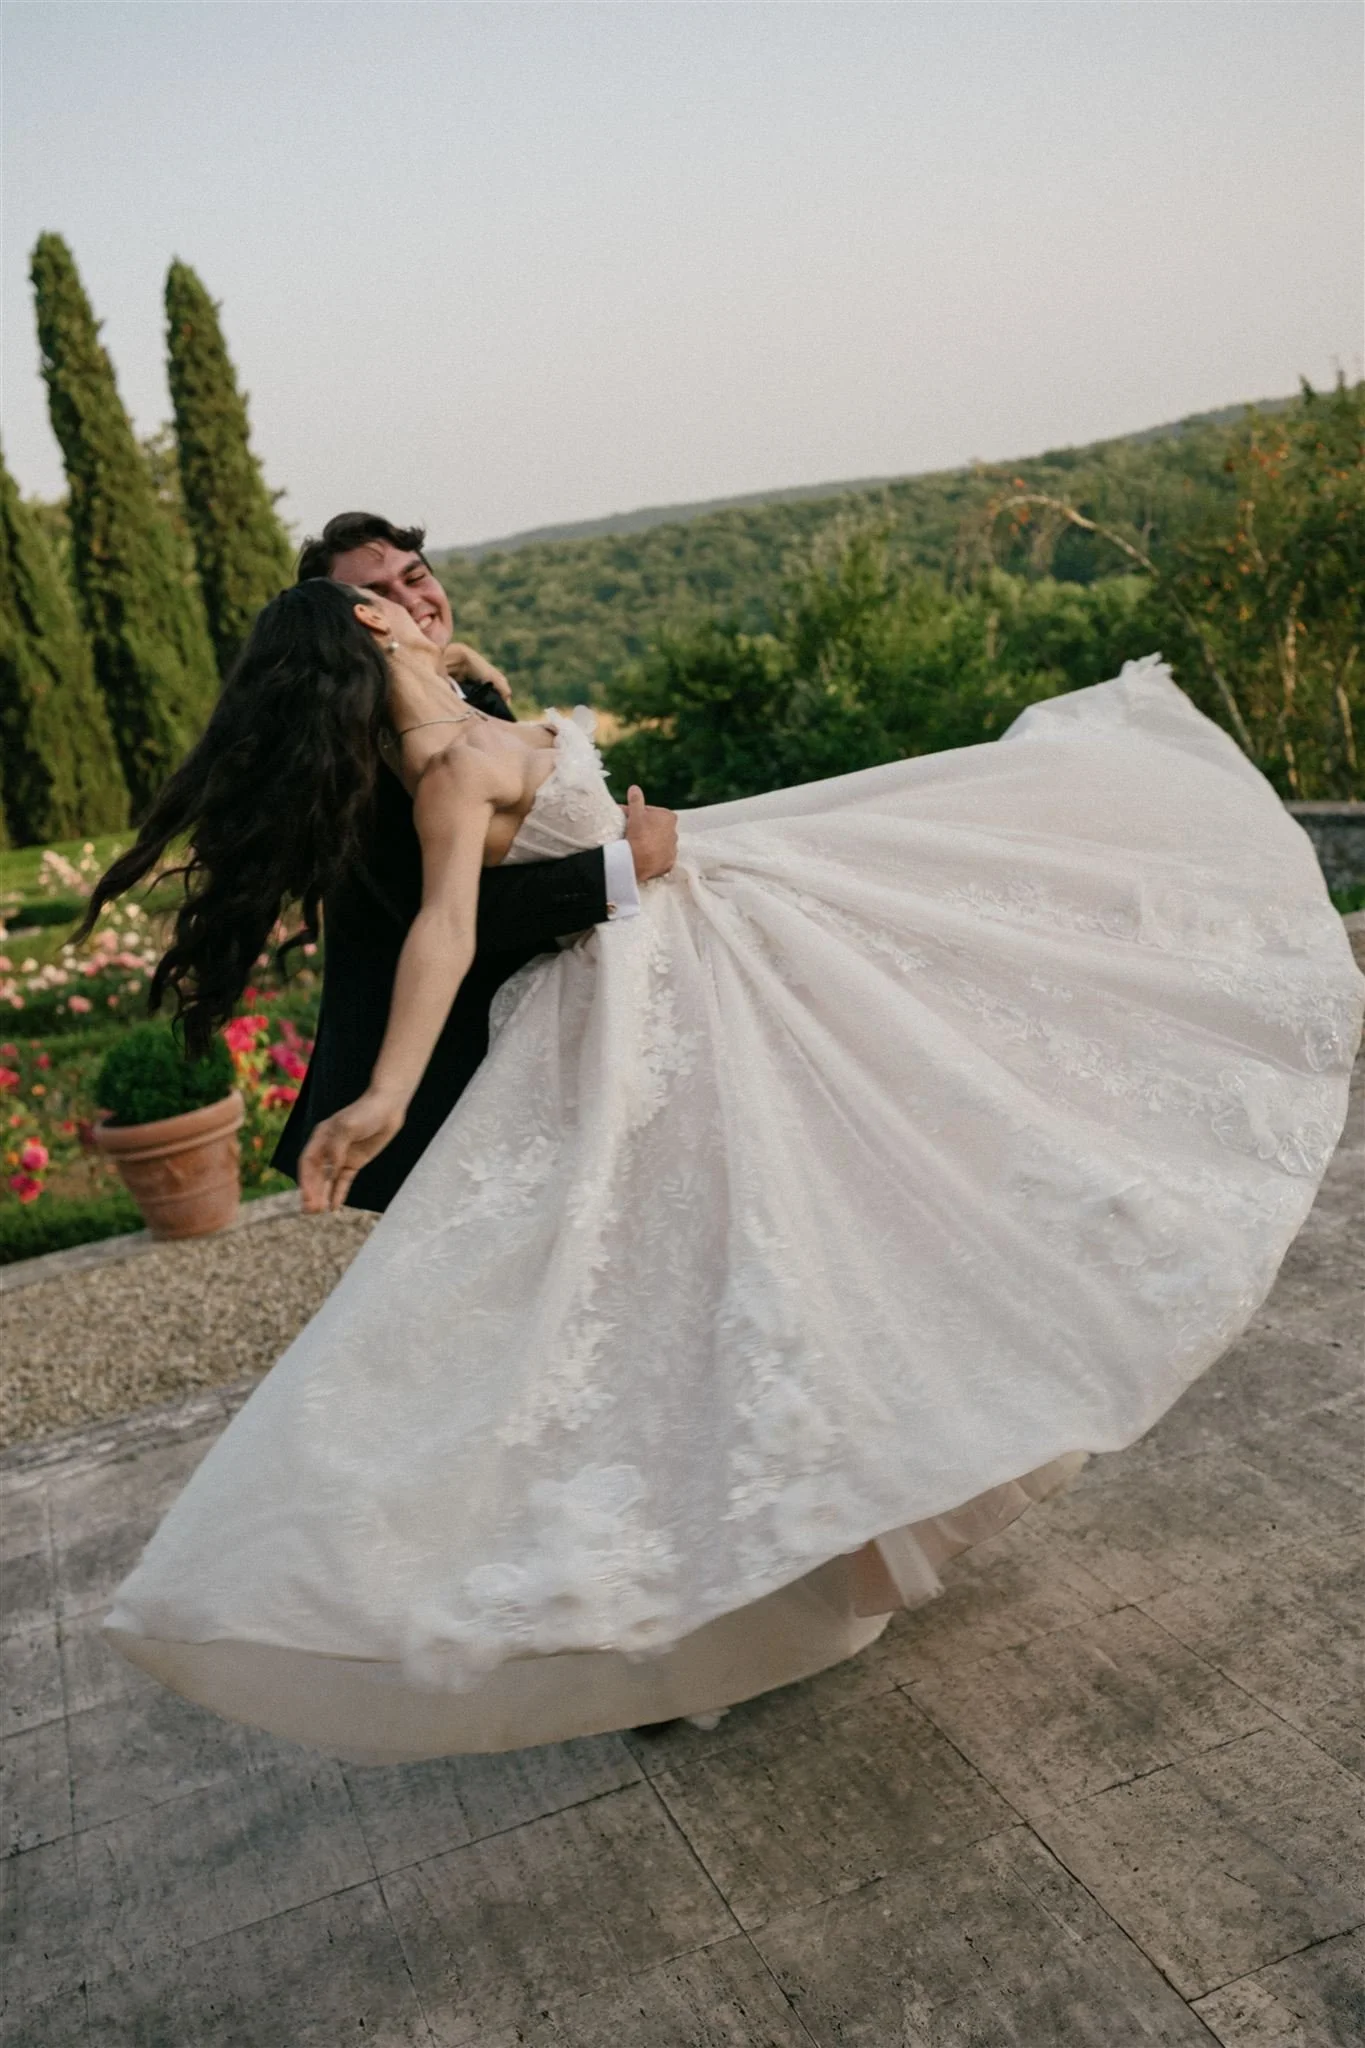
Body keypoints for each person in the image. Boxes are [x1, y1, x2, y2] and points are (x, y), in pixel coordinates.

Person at [92, 582, 1363, 1761]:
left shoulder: (473, 718)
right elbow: (446, 927)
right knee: (700, 1284)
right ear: (370, 623)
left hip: (705, 954)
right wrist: (381, 1092)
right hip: (640, 1017)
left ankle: (816, 1522)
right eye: (400, 599)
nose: (429, 607)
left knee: (821, 1224)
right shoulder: (441, 764)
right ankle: (702, 1590)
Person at [271, 512, 679, 1211]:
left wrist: (451, 663)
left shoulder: (465, 695)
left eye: (416, 576)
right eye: (379, 595)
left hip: (629, 960)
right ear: (359, 626)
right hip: (483, 1041)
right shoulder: (367, 765)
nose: (412, 601)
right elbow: (450, 919)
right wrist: (623, 865)